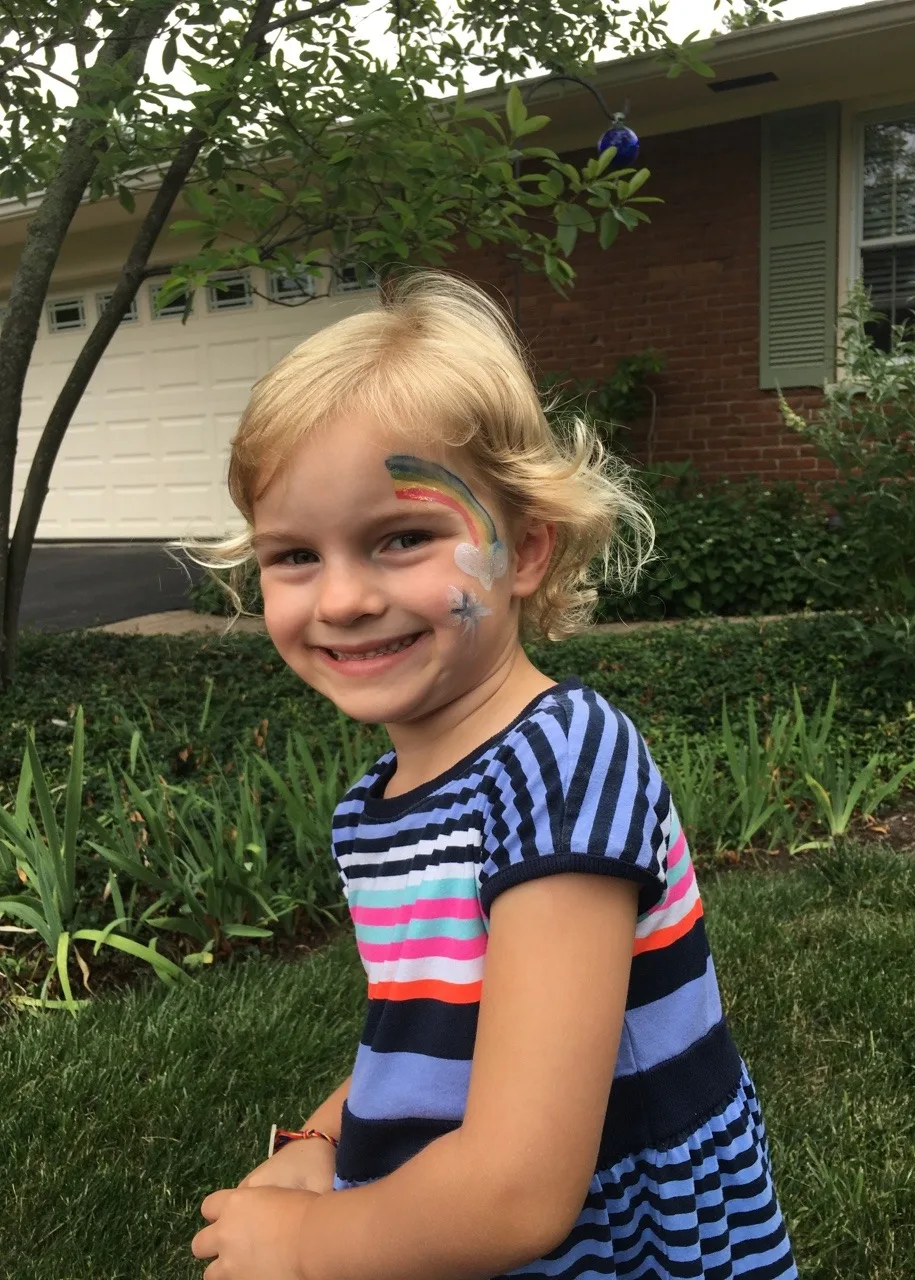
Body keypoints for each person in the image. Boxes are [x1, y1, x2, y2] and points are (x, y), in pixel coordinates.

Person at [188, 271, 798, 1280]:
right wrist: (322, 1139)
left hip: (622, 1240)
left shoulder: (562, 763)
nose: (341, 598)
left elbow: (520, 1190)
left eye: (402, 537)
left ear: (525, 551)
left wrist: (302, 1244)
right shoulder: (375, 810)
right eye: (294, 555)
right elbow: (429, 1038)